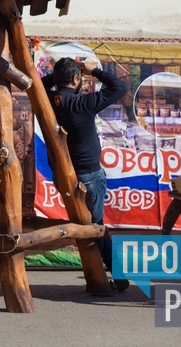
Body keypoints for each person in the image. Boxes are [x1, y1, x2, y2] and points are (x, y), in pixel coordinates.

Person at [41, 57, 128, 290]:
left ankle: (111, 277)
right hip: (88, 176)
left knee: (90, 226)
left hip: (64, 175)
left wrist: (59, 75)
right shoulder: (81, 104)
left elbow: (40, 83)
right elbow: (121, 87)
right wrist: (95, 71)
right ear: (76, 79)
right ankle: (115, 278)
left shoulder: (49, 99)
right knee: (96, 227)